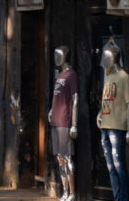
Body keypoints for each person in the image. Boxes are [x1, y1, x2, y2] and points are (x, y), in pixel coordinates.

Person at [96, 42, 129, 201]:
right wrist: (100, 113)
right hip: (105, 125)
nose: (104, 61)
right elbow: (106, 98)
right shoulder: (108, 75)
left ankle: (124, 199)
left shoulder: (124, 77)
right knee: (110, 166)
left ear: (113, 59)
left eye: (106, 58)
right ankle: (116, 197)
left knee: (119, 166)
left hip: (117, 127)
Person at [49, 45, 79, 201]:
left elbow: (75, 99)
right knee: (60, 158)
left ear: (65, 56)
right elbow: (57, 97)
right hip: (55, 119)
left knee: (67, 158)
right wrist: (50, 110)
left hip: (65, 121)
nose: (55, 58)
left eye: (58, 55)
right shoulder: (60, 75)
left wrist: (74, 124)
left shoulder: (71, 75)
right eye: (54, 55)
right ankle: (65, 192)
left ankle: (72, 193)